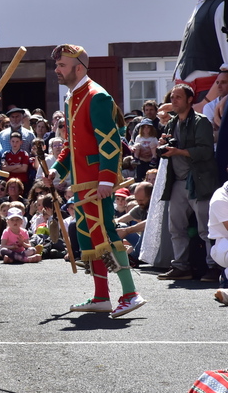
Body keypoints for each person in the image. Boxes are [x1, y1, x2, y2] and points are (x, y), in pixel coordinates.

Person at [47, 44, 146, 318]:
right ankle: (102, 296)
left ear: (79, 67)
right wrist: (57, 170)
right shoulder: (71, 98)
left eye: (62, 65)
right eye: (57, 65)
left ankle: (130, 293)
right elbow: (71, 145)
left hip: (95, 183)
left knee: (107, 235)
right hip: (80, 184)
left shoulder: (96, 96)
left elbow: (110, 142)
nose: (57, 69)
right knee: (90, 239)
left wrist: (106, 179)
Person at [157, 84, 220, 281]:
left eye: (178, 97)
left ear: (189, 100)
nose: (173, 101)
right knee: (176, 227)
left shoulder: (201, 122)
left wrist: (178, 151)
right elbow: (167, 151)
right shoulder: (172, 123)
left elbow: (205, 151)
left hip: (199, 181)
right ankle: (181, 266)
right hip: (177, 181)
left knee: (206, 228)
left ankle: (214, 267)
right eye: (172, 97)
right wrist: (163, 145)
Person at [175, 0, 228, 107]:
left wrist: (206, 103)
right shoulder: (205, 4)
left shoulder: (221, 5)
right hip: (195, 101)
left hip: (208, 102)